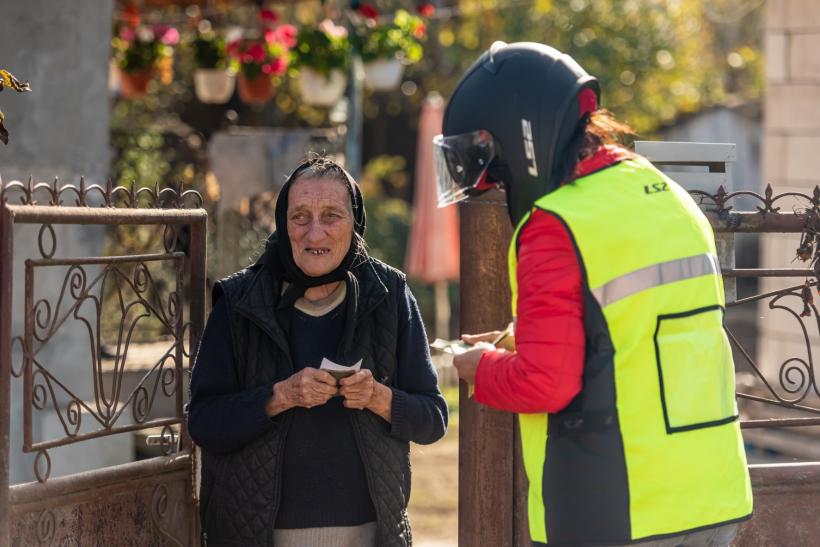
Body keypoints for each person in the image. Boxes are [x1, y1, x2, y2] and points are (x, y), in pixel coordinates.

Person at [438, 42, 752, 546]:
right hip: (713, 499)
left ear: (522, 140)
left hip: (621, 510)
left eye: (491, 161)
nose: (493, 180)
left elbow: (546, 385)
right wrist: (525, 336)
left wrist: (480, 367)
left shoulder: (554, 225)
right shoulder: (667, 195)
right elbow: (634, 324)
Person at [188, 156, 448, 547]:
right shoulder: (239, 301)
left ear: (354, 222)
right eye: (300, 217)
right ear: (282, 222)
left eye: (331, 216)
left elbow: (433, 418)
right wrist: (280, 396)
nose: (315, 234)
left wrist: (380, 398)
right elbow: (204, 422)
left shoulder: (390, 295)